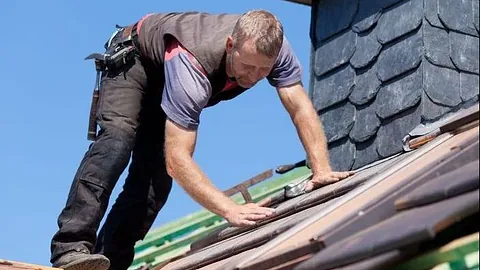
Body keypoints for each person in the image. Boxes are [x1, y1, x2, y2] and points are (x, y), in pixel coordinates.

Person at [50, 9, 354, 270]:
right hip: (137, 63)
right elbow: (178, 159)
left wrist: (321, 169)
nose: (254, 76)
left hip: (168, 85)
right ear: (230, 44)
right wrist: (228, 209)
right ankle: (71, 247)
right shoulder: (192, 64)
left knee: (154, 185)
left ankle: (110, 262)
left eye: (264, 69)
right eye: (247, 65)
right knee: (117, 141)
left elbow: (300, 107)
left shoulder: (276, 51)